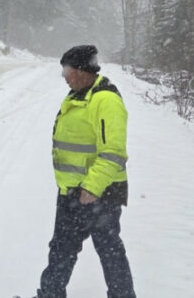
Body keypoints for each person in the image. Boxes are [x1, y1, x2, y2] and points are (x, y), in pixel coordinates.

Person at [36, 45, 135, 298]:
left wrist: (91, 187)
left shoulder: (106, 100)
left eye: (67, 70)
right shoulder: (77, 96)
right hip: (71, 191)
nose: (64, 75)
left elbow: (113, 152)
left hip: (100, 194)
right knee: (61, 249)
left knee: (109, 251)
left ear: (82, 70)